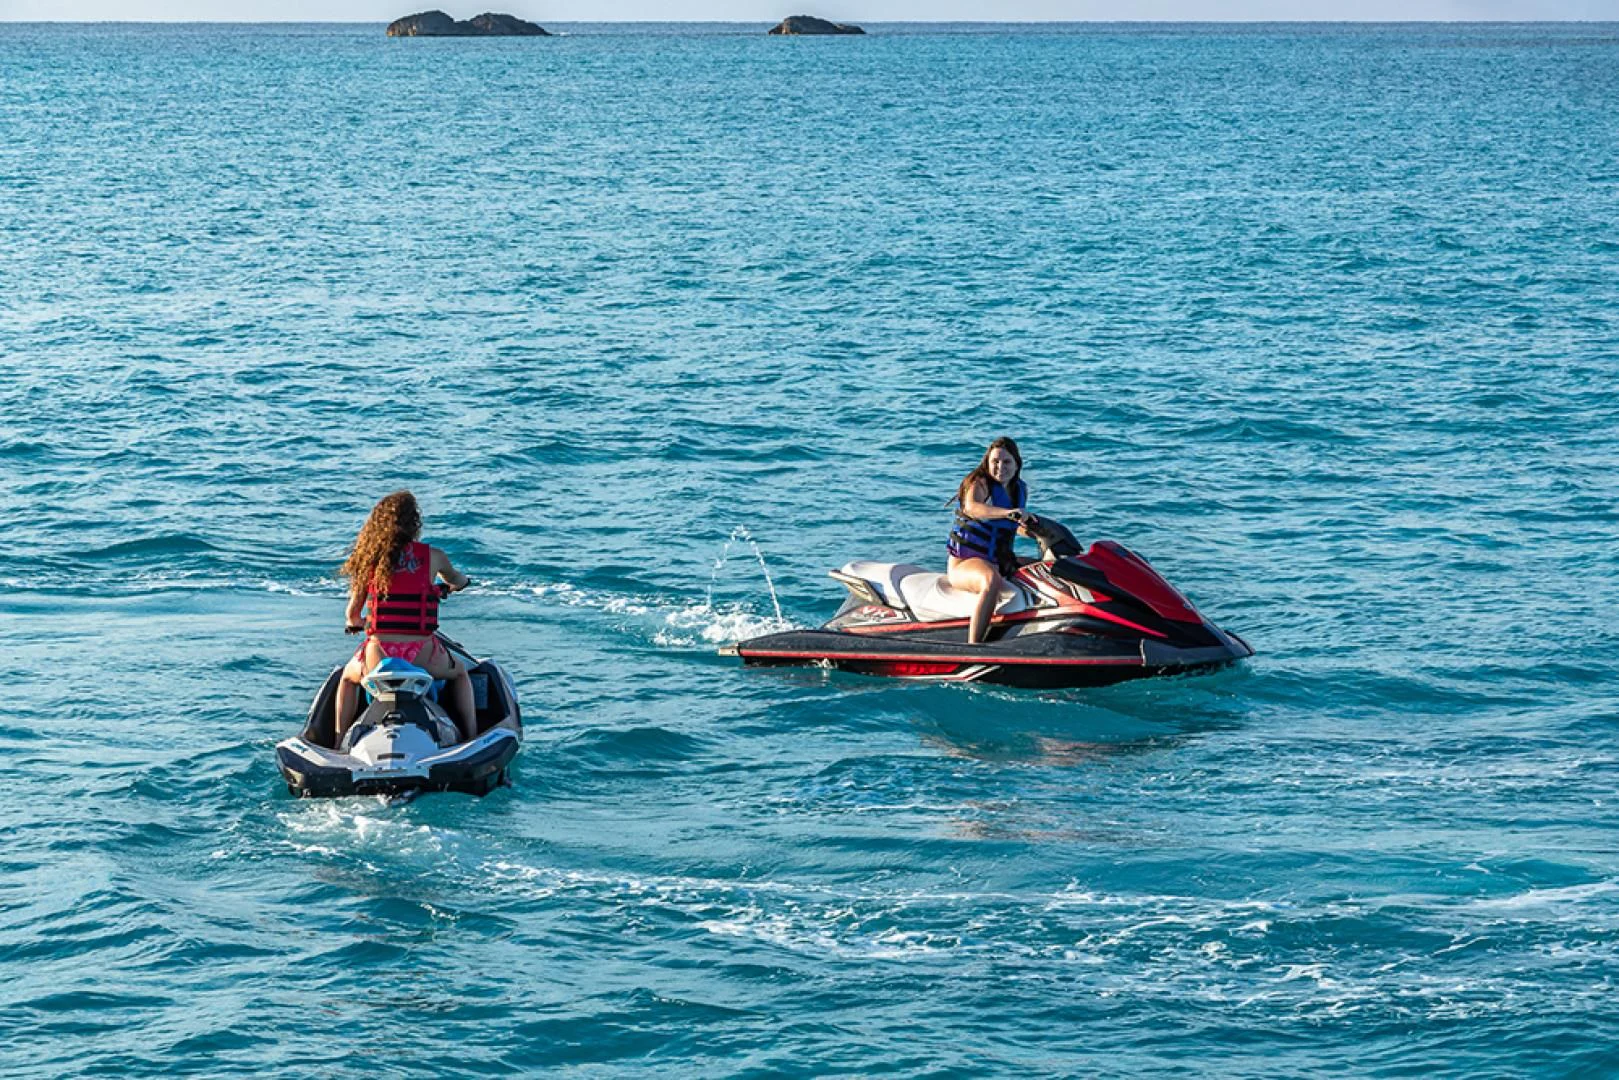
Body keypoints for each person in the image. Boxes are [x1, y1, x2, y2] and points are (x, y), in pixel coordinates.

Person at [333, 491, 474, 743]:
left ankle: (337, 742)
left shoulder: (370, 561)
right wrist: (456, 585)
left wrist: (361, 624)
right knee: (461, 673)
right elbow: (457, 580)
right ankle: (471, 737)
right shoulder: (434, 556)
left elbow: (353, 616)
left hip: (379, 656)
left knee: (347, 677)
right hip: (423, 654)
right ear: (415, 523)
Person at [946, 437, 1036, 645]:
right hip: (964, 564)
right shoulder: (979, 483)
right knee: (991, 580)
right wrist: (1007, 513)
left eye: (1006, 462)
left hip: (1000, 559)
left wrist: (1035, 530)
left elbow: (1011, 527)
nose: (1000, 467)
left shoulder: (1019, 490)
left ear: (1016, 464)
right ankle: (974, 645)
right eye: (995, 461)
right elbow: (973, 508)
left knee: (1047, 569)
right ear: (987, 462)